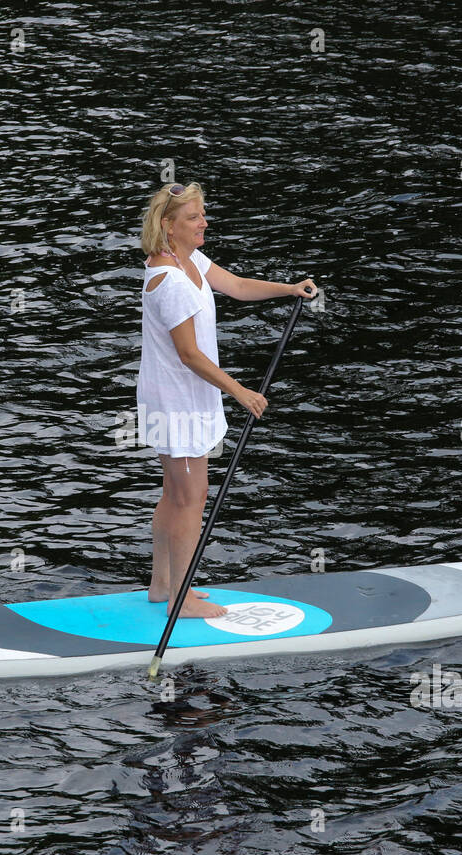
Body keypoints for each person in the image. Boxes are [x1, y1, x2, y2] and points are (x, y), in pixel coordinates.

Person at [137, 182, 317, 618]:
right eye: (194, 217)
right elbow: (189, 354)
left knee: (176, 494)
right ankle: (180, 601)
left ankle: (163, 585)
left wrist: (288, 289)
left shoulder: (189, 259)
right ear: (169, 226)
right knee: (190, 498)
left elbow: (235, 286)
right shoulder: (170, 280)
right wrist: (240, 392)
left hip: (184, 398)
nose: (204, 222)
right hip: (176, 403)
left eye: (202, 214)